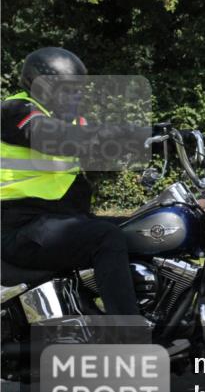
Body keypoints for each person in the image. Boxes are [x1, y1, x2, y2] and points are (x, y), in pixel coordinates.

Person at [1, 47, 142, 316]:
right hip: (20, 227)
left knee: (140, 228)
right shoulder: (15, 110)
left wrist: (154, 139)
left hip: (59, 222)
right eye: (68, 89)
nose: (77, 95)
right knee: (105, 237)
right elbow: (52, 137)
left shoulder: (71, 120)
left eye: (79, 89)